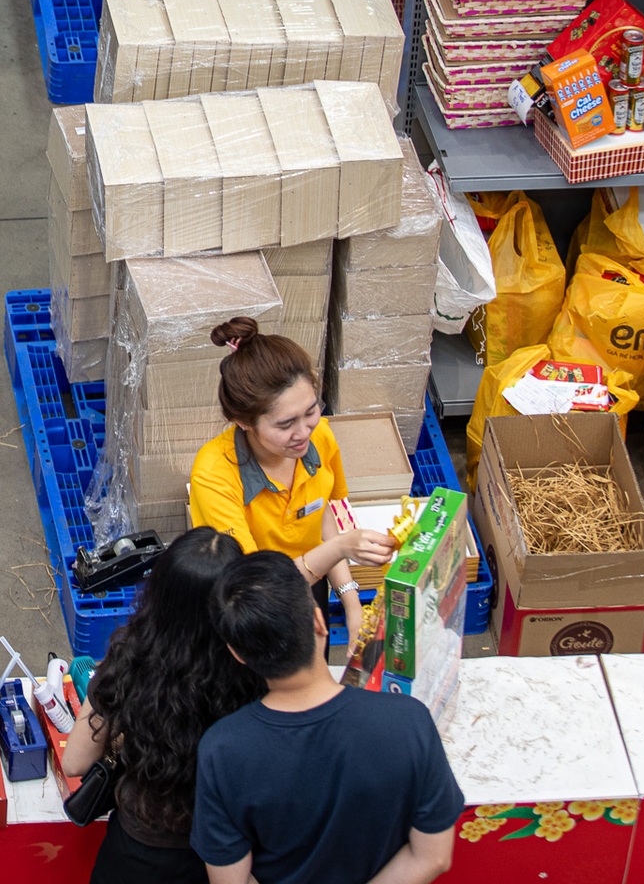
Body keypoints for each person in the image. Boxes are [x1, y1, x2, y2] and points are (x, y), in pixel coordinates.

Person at [194, 550, 462, 884]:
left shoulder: (221, 749)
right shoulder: (408, 722)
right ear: (320, 622)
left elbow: (230, 880)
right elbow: (433, 856)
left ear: (238, 653)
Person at [60, 528, 264, 884]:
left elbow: (75, 761)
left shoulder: (131, 660)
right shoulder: (256, 673)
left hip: (135, 856)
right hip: (225, 855)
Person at [187, 317, 396, 637]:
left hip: (309, 587)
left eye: (311, 411)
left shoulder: (321, 437)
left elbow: (321, 515)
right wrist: (341, 548)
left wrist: (353, 606)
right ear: (243, 421)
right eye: (285, 424)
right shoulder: (214, 475)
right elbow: (254, 588)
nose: (303, 433)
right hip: (248, 605)